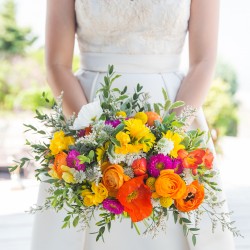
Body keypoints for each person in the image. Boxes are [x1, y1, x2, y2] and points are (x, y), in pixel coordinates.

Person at [31, 0, 235, 249]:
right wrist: (91, 133)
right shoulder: (87, 127)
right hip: (85, 111)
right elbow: (56, 64)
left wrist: (170, 136)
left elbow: (203, 61)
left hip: (173, 111)